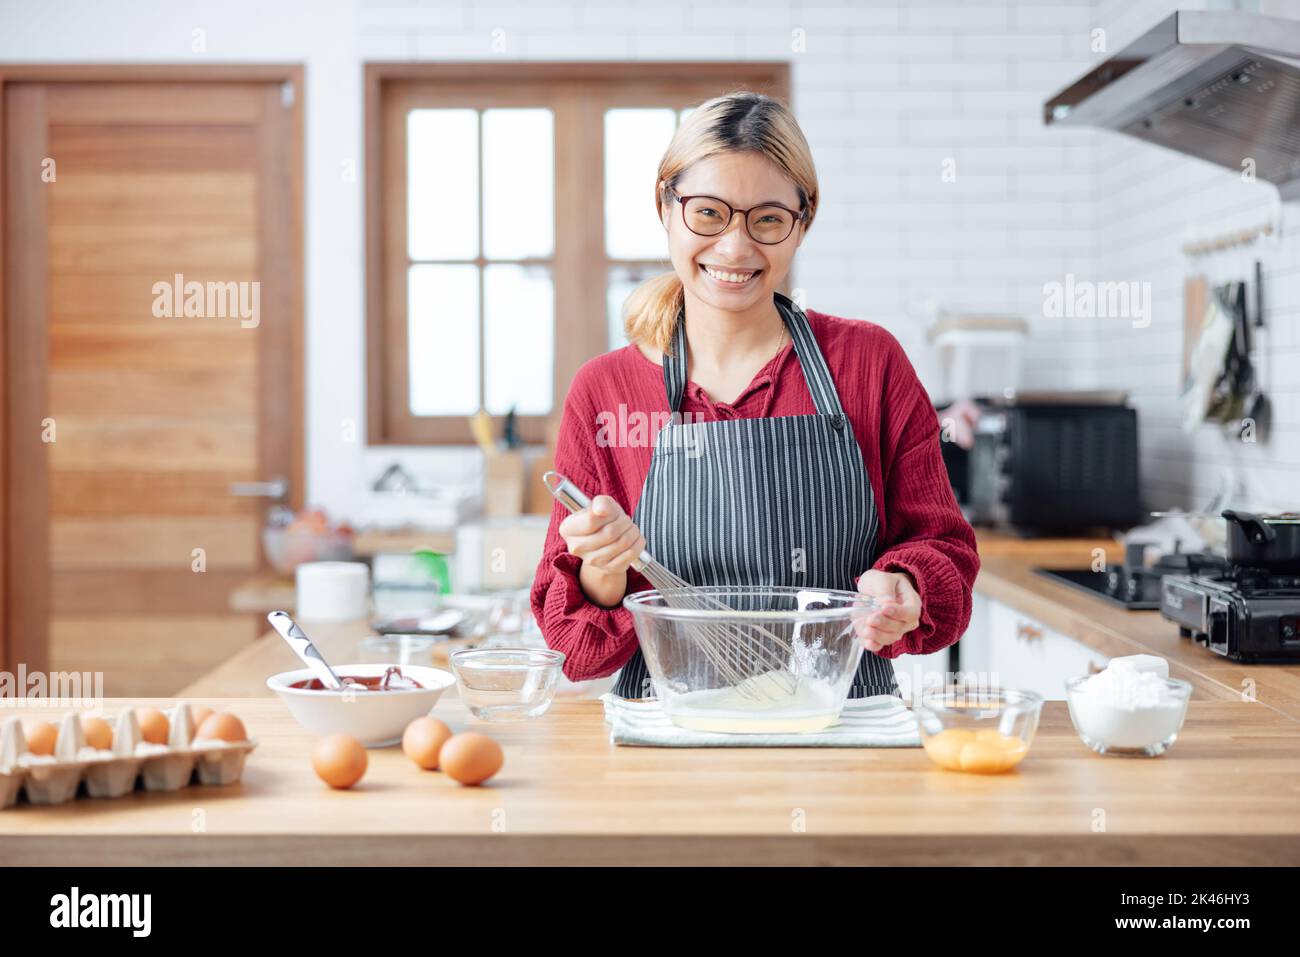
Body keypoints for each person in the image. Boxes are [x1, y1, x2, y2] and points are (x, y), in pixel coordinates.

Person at [530, 91, 979, 699]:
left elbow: (943, 546)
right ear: (666, 208)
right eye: (709, 213)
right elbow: (574, 649)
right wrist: (603, 568)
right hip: (670, 738)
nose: (736, 248)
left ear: (803, 223)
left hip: (842, 731)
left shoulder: (869, 364)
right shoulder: (606, 390)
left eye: (767, 219)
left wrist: (907, 584)